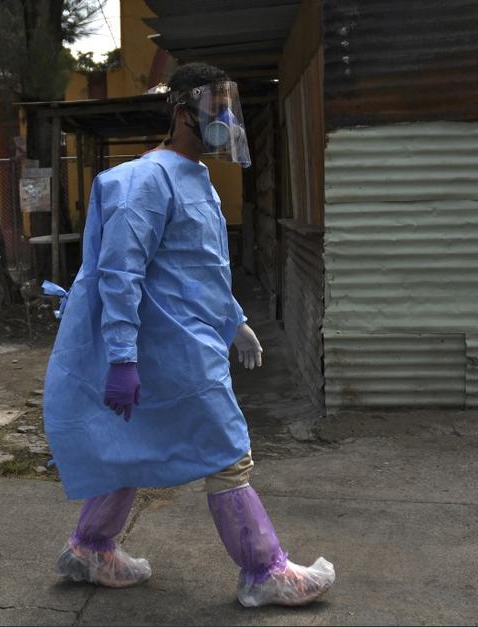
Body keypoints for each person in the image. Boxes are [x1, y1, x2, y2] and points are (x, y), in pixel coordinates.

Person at [42, 62, 335, 608]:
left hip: (188, 342)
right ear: (182, 113)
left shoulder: (196, 178)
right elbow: (119, 276)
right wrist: (123, 358)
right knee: (228, 453)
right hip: (166, 352)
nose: (226, 120)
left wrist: (234, 321)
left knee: (132, 449)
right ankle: (264, 571)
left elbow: (201, 269)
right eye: (214, 109)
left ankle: (88, 549)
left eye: (230, 108)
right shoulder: (141, 181)